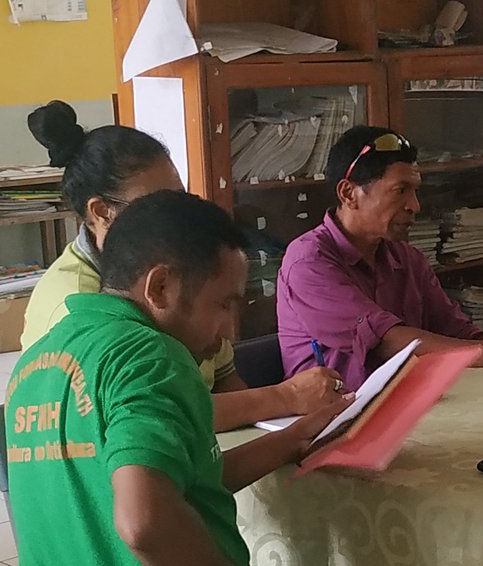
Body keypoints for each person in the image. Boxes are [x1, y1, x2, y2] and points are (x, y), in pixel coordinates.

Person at [6, 190, 350, 566]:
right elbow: (146, 523)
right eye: (223, 305)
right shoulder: (151, 355)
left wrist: (296, 438)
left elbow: (184, 479)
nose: (230, 332)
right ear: (160, 288)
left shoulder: (35, 363)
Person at [21, 101, 344, 431]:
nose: (177, 214)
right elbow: (149, 419)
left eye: (179, 196)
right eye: (156, 203)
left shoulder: (181, 269)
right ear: (102, 212)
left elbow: (225, 381)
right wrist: (286, 396)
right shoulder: (78, 306)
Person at [276, 126, 483, 390]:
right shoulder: (309, 262)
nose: (415, 206)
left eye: (415, 190)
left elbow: (467, 342)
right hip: (336, 427)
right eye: (400, 190)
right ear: (349, 193)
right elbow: (389, 342)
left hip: (411, 414)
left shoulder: (406, 259)